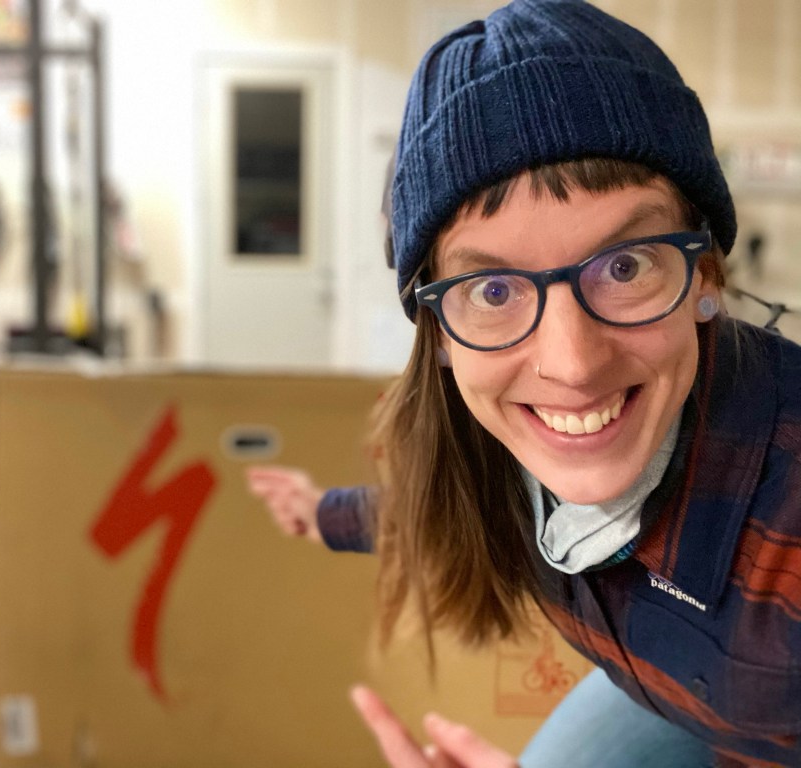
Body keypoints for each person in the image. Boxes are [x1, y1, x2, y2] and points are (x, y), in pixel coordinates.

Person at [248, 2, 801, 766]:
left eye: (625, 266)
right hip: (681, 690)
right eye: (495, 290)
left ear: (705, 275)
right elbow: (434, 512)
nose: (572, 367)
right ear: (440, 334)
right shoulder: (492, 457)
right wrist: (321, 514)